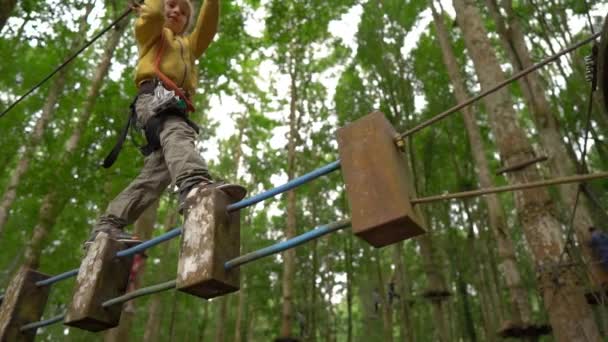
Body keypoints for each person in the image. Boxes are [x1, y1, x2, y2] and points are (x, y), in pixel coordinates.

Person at [86, 0, 246, 247]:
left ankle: (108, 225)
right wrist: (154, 6)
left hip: (174, 103)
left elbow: (208, 28)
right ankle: (194, 185)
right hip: (153, 97)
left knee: (158, 171)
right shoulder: (152, 34)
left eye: (183, 13)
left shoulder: (189, 47)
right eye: (171, 5)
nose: (176, 12)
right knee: (176, 131)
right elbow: (151, 15)